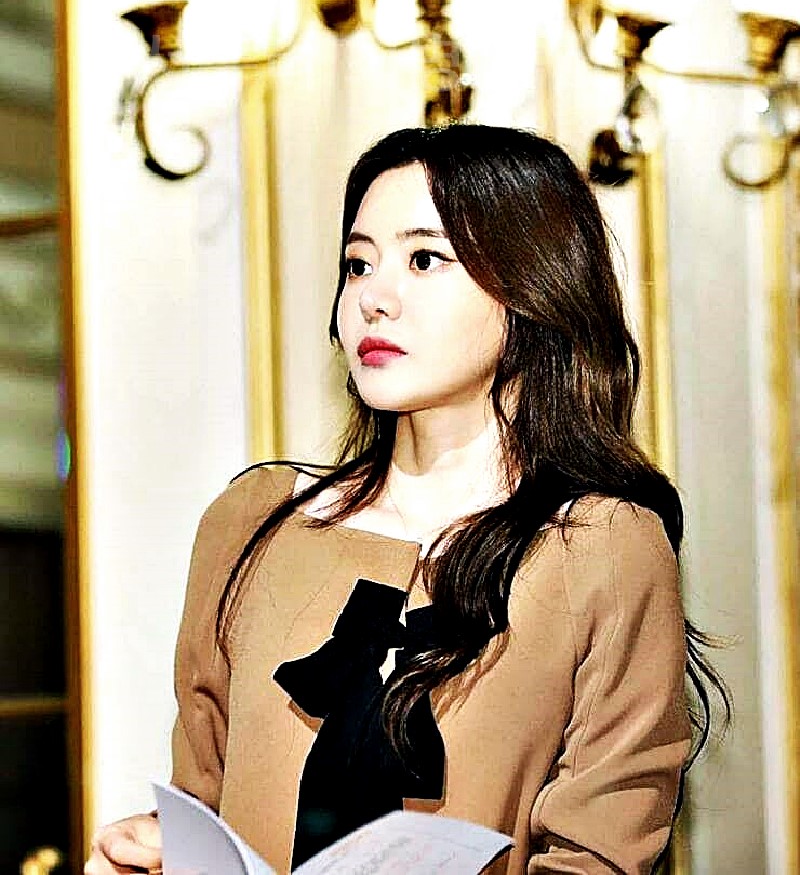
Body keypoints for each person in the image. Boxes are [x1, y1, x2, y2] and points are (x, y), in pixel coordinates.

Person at [86, 124, 726, 875]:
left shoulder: (601, 545)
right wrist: (151, 855)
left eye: (425, 259)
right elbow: (205, 801)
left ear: (532, 284)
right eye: (357, 264)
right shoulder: (255, 520)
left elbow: (599, 854)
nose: (374, 299)